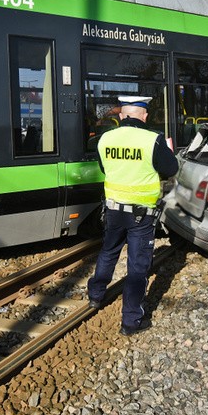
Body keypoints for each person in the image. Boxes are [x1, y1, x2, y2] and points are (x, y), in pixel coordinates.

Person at [86, 95, 179, 336]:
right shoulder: (153, 140)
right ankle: (130, 322)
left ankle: (95, 296)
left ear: (121, 115)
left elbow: (105, 168)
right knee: (137, 267)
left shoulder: (105, 138)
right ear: (144, 115)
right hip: (142, 215)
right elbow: (171, 170)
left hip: (114, 210)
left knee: (109, 251)